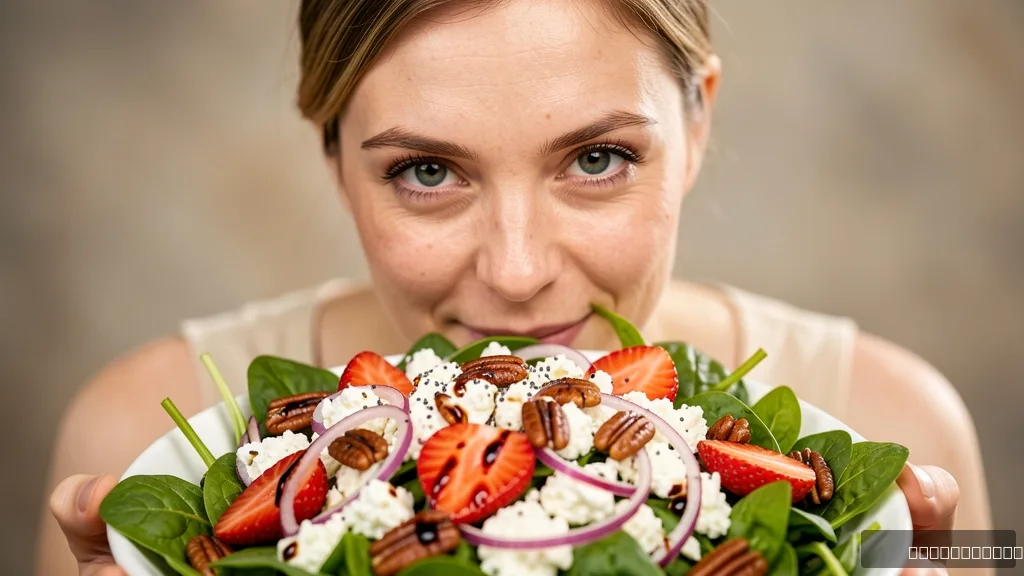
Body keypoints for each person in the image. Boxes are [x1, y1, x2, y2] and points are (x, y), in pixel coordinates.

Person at [38, 0, 990, 574]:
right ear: (335, 164)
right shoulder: (140, 444)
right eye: (425, 172)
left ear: (698, 125)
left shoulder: (898, 424)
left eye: (599, 157)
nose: (519, 270)